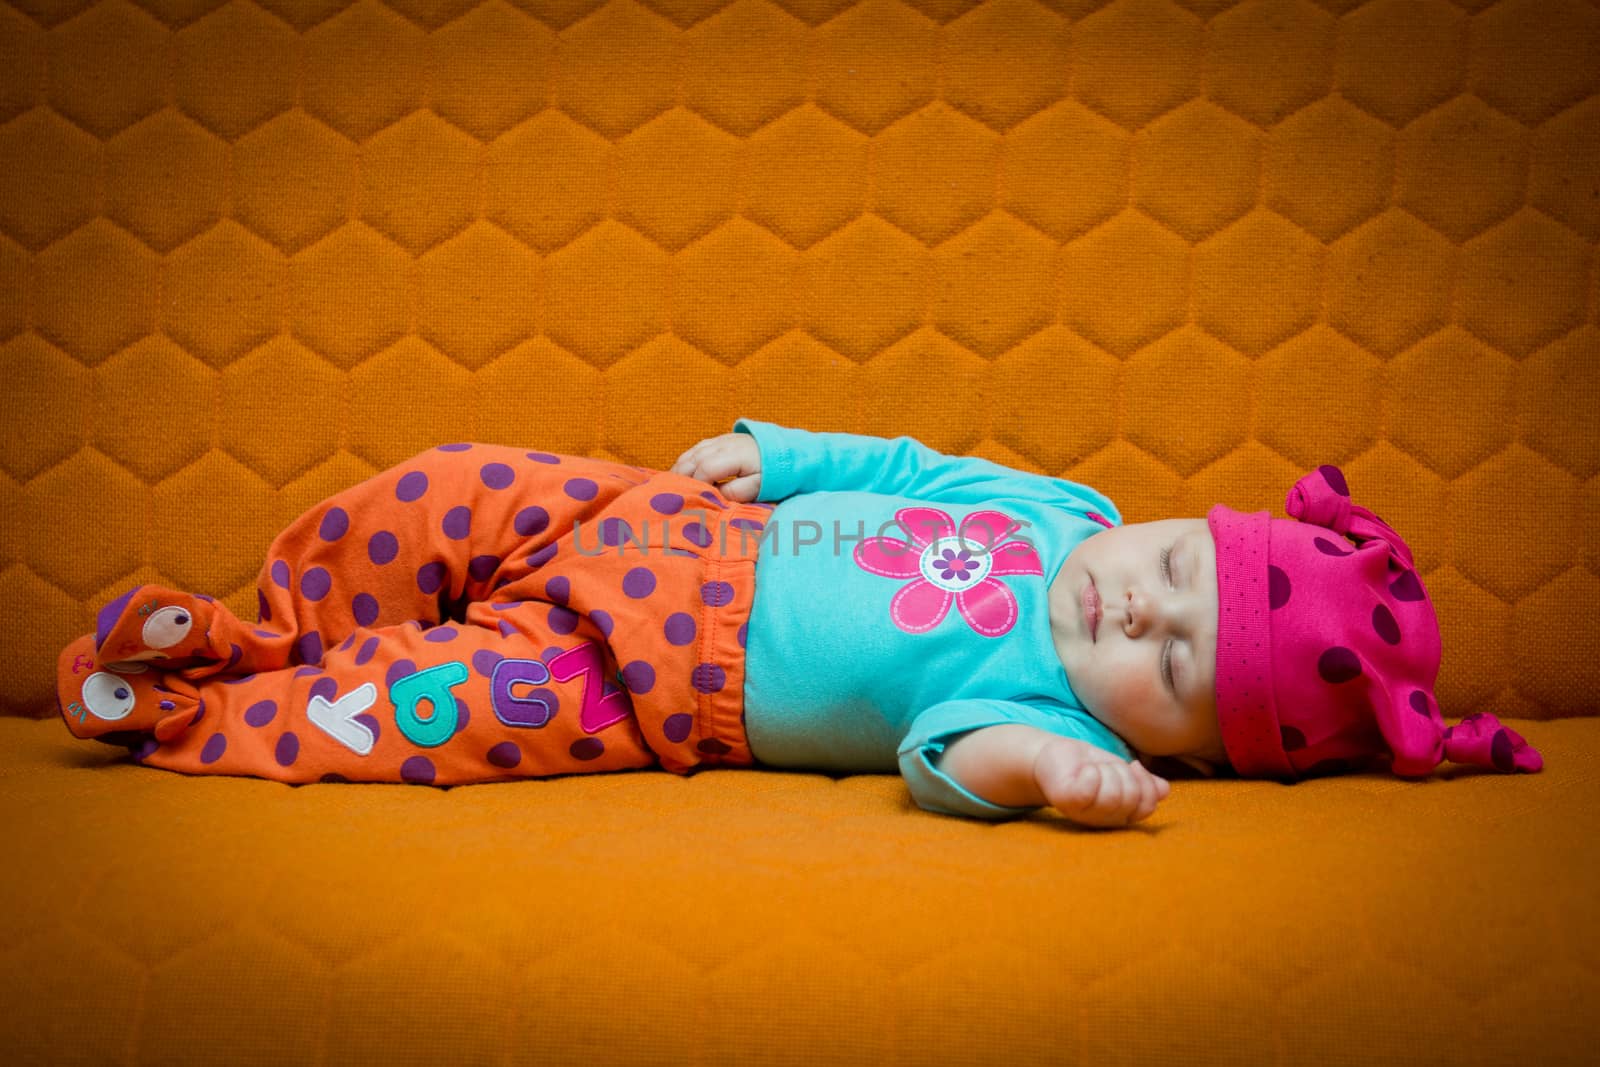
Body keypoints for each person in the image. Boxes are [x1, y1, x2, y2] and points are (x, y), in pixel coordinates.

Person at [56, 421, 1542, 829]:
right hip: (658, 519)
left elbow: (935, 756)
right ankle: (273, 622)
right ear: (1167, 520)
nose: (1134, 604)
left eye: (1175, 660)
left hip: (640, 689)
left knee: (414, 716)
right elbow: (910, 470)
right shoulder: (1067, 515)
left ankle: (190, 702)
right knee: (443, 489)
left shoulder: (1051, 711)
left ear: (1196, 755)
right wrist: (790, 457)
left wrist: (1047, 780)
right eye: (1175, 569)